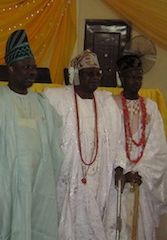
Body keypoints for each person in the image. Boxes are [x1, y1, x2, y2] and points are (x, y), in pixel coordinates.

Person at [0, 29, 63, 240]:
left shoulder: (42, 103)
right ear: (10, 69)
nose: (32, 72)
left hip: (38, 184)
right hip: (7, 185)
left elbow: (57, 137)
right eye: (25, 67)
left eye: (34, 68)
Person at [44, 49, 122, 240]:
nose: (95, 78)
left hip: (99, 176)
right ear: (77, 75)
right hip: (68, 176)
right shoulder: (57, 99)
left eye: (98, 73)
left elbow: (118, 138)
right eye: (89, 73)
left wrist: (120, 166)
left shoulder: (107, 103)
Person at [104, 54, 167, 240]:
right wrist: (121, 168)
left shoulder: (151, 107)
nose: (136, 81)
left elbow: (158, 146)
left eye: (139, 77)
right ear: (121, 78)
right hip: (117, 178)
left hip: (142, 180)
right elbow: (109, 139)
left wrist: (140, 172)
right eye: (132, 77)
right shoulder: (109, 104)